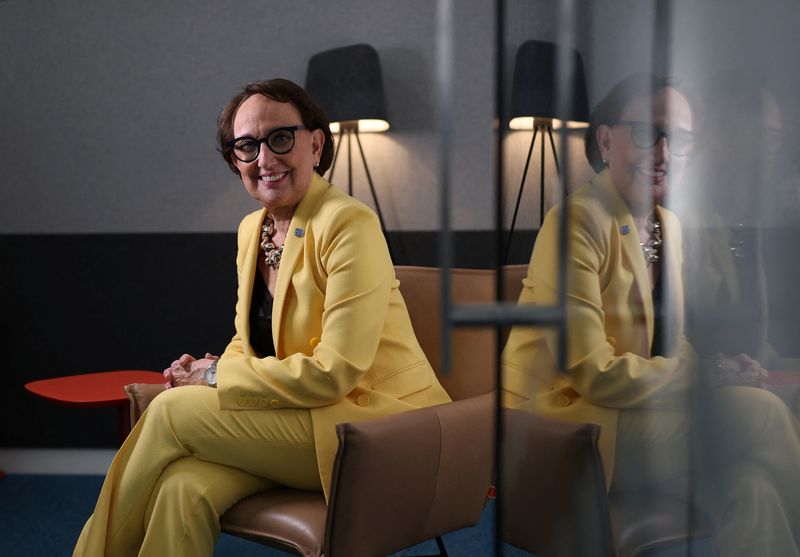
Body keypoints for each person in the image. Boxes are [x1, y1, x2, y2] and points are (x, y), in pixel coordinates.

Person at [73, 78, 451, 557]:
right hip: (307, 422)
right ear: (235, 161)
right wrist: (210, 369)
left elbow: (335, 373)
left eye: (280, 138)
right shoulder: (253, 230)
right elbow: (247, 343)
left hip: (380, 432)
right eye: (246, 146)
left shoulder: (348, 223)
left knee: (169, 412)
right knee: (182, 487)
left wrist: (213, 376)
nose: (265, 159)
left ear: (315, 144)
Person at [502, 73, 800, 555]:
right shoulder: (574, 223)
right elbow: (591, 371)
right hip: (564, 426)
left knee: (752, 488)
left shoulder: (669, 225)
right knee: (761, 412)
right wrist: (704, 377)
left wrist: (718, 371)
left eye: (679, 139)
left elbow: (670, 344)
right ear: (605, 140)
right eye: (646, 133)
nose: (663, 153)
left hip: (636, 413)